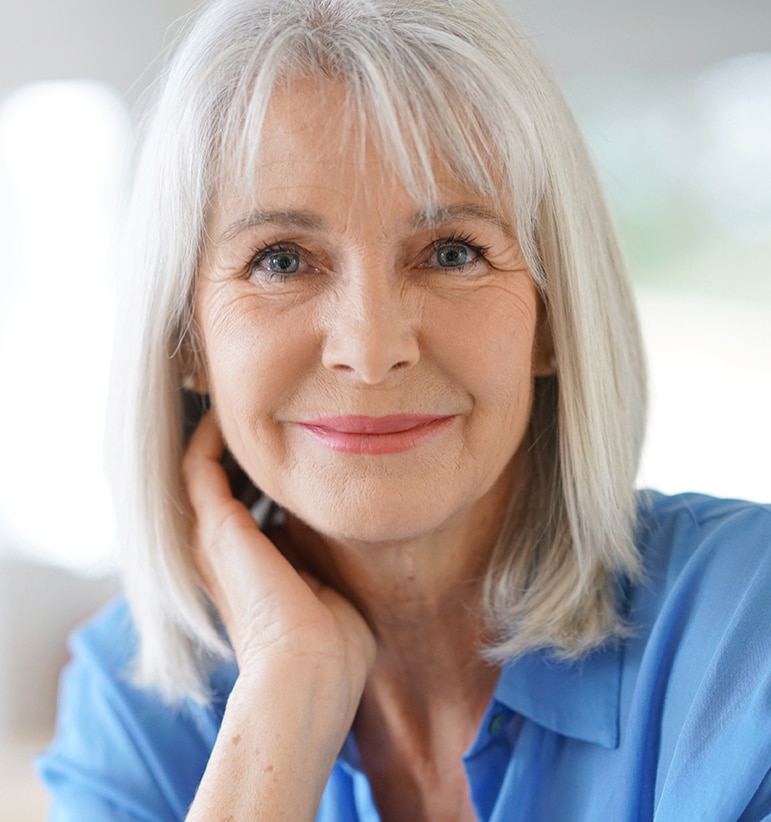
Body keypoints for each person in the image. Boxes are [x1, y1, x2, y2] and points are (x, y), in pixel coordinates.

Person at [38, 0, 771, 819]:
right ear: (187, 342)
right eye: (280, 260)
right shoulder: (133, 703)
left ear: (552, 317)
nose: (371, 345)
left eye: (452, 252)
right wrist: (287, 687)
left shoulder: (751, 628)